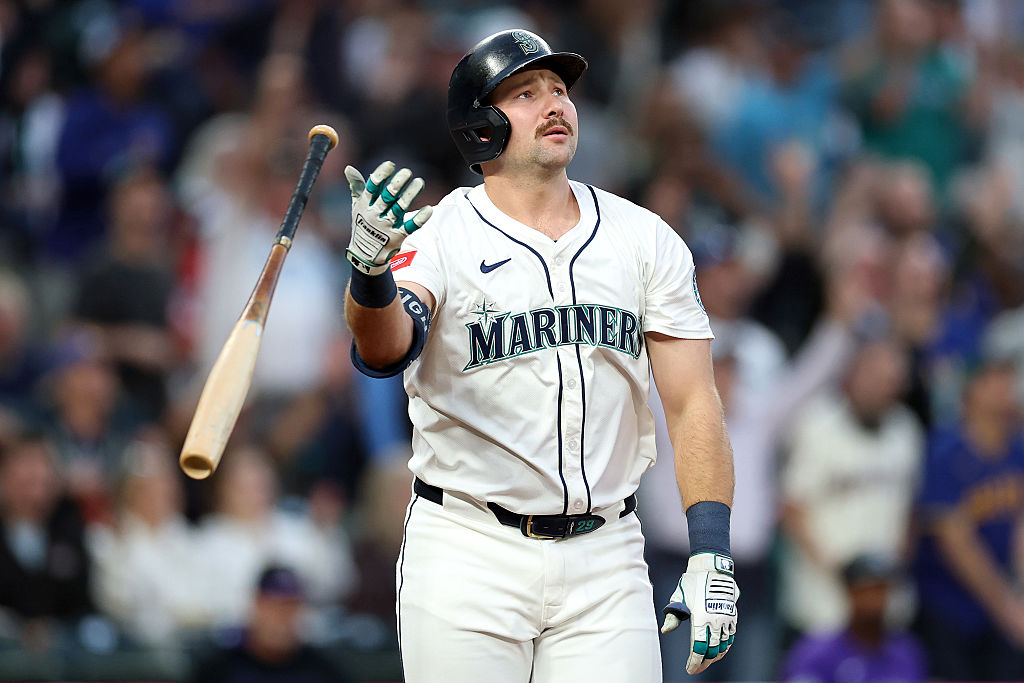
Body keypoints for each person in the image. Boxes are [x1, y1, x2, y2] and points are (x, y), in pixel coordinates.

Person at [342, 29, 738, 682]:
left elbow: (694, 401)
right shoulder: (438, 235)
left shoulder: (644, 238)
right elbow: (384, 347)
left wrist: (711, 552)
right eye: (526, 94)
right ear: (480, 127)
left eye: (559, 89)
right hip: (469, 548)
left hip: (605, 554)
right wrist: (370, 276)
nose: (555, 103)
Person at [185, 564, 352, 683]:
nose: (281, 617)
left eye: (290, 607)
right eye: (272, 606)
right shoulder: (219, 669)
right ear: (255, 605)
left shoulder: (323, 670)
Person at [781, 554, 926, 683]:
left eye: (881, 590)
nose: (875, 600)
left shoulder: (907, 651)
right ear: (849, 592)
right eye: (866, 590)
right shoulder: (817, 652)